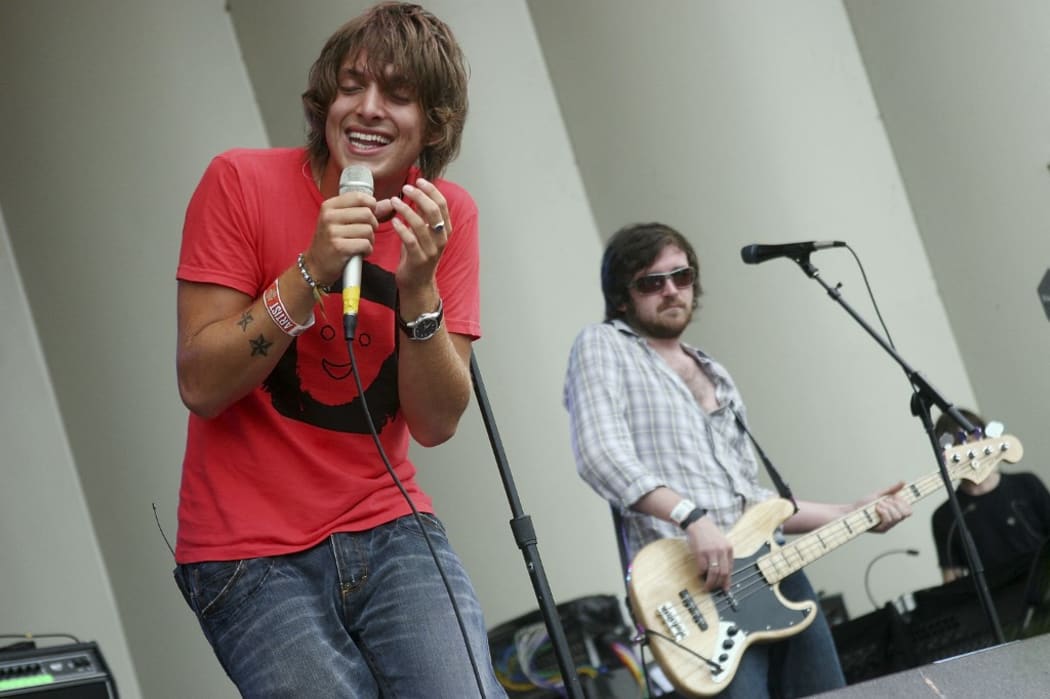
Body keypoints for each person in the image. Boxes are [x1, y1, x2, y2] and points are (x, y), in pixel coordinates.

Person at [172, 4, 504, 697]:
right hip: (247, 552)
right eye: (352, 86)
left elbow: (438, 423)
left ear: (433, 124)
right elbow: (202, 383)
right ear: (325, 100)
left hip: (388, 528)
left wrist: (419, 289)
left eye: (399, 94)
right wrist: (311, 270)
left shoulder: (448, 215)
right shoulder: (240, 181)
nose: (369, 109)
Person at [563, 222, 912, 698]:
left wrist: (851, 513)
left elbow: (753, 501)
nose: (671, 290)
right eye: (651, 282)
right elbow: (600, 455)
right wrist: (693, 518)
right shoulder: (603, 345)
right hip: (694, 594)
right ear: (623, 298)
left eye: (681, 277)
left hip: (775, 577)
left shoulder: (715, 373)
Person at [931, 408, 1050, 584]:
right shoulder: (945, 516)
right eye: (960, 449)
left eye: (974, 444)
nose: (971, 456)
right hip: (1000, 603)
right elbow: (951, 579)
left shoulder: (1026, 484)